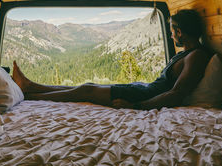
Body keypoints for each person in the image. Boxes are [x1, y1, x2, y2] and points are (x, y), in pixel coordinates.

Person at [12, 9, 211, 110]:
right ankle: (32, 86)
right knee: (87, 86)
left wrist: (135, 107)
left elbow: (177, 93)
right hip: (144, 89)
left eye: (172, 32)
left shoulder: (197, 56)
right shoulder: (188, 54)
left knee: (86, 90)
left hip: (144, 96)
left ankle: (30, 95)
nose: (171, 36)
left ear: (180, 32)